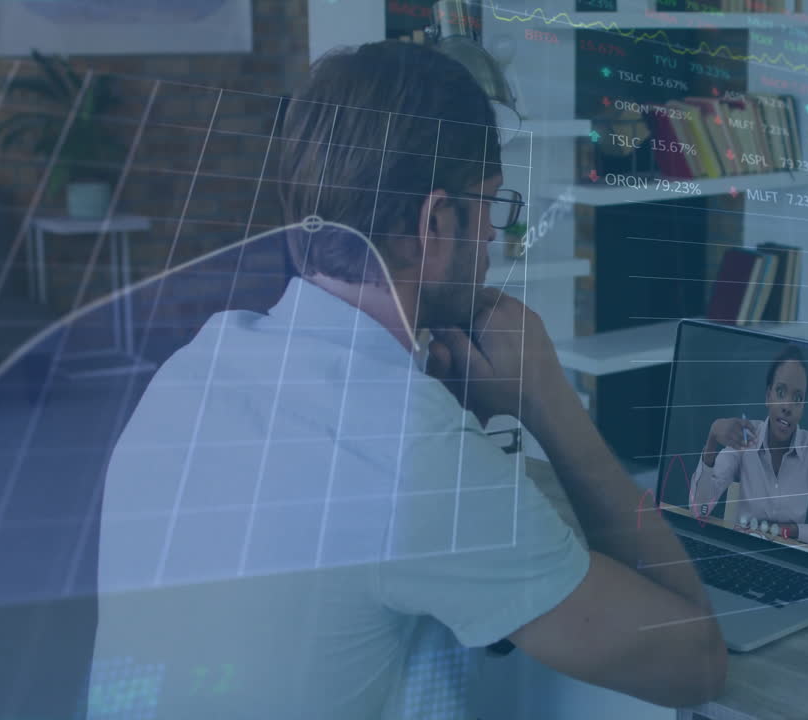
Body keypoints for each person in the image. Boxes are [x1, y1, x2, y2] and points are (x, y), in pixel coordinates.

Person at [91, 40, 724, 719]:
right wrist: (548, 399)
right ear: (434, 221)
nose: (492, 236)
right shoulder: (411, 452)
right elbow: (694, 665)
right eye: (489, 205)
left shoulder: (196, 365)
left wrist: (444, 413)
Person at [689, 344, 808, 555]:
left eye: (797, 398)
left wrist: (789, 531)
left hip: (790, 561)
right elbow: (698, 510)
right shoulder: (745, 437)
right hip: (741, 554)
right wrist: (712, 438)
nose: (787, 406)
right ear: (768, 396)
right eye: (780, 391)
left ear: (803, 407)